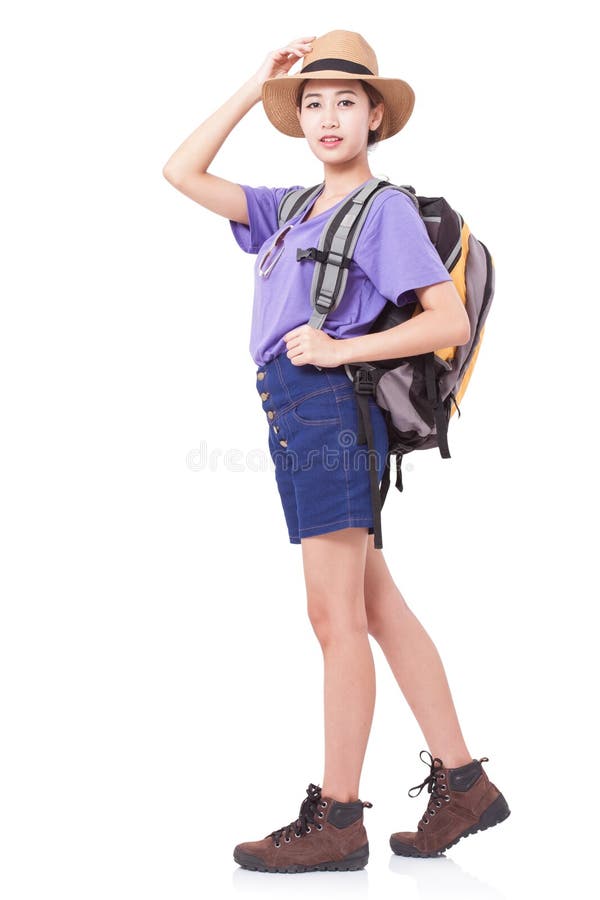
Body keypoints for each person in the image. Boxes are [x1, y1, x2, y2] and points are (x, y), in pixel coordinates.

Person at [163, 28, 510, 874]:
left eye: (345, 101)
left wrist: (339, 349)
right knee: (377, 607)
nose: (326, 117)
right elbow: (181, 173)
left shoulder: (384, 211)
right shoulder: (287, 207)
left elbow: (447, 319)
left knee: (334, 618)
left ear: (376, 114)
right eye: (311, 103)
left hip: (329, 413)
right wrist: (257, 85)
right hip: (293, 411)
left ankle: (340, 817)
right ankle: (463, 781)